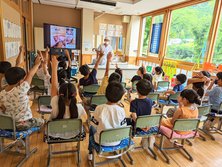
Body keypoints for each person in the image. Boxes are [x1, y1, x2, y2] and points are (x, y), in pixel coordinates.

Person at [0, 54, 44, 131]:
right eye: (23, 79)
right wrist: (37, 64)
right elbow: (30, 74)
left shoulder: (1, 93)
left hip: (9, 126)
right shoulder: (21, 90)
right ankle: (24, 137)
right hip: (24, 124)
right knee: (42, 121)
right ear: (20, 81)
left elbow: (3, 109)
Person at [49, 56, 87, 139]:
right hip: (74, 134)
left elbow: (54, 86)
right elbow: (85, 120)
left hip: (54, 134)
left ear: (59, 93)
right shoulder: (79, 107)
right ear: (75, 94)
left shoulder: (54, 102)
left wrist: (54, 68)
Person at [88, 82, 126, 160]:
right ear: (120, 97)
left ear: (106, 94)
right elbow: (123, 126)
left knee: (91, 128)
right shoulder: (121, 110)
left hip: (101, 141)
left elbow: (94, 124)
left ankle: (90, 153)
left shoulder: (99, 108)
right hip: (117, 140)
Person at [127, 79, 157, 149]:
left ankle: (128, 143)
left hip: (136, 127)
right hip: (147, 125)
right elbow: (151, 114)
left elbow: (134, 118)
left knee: (126, 120)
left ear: (137, 90)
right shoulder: (150, 101)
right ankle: (145, 141)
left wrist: (141, 127)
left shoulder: (134, 103)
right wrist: (147, 126)